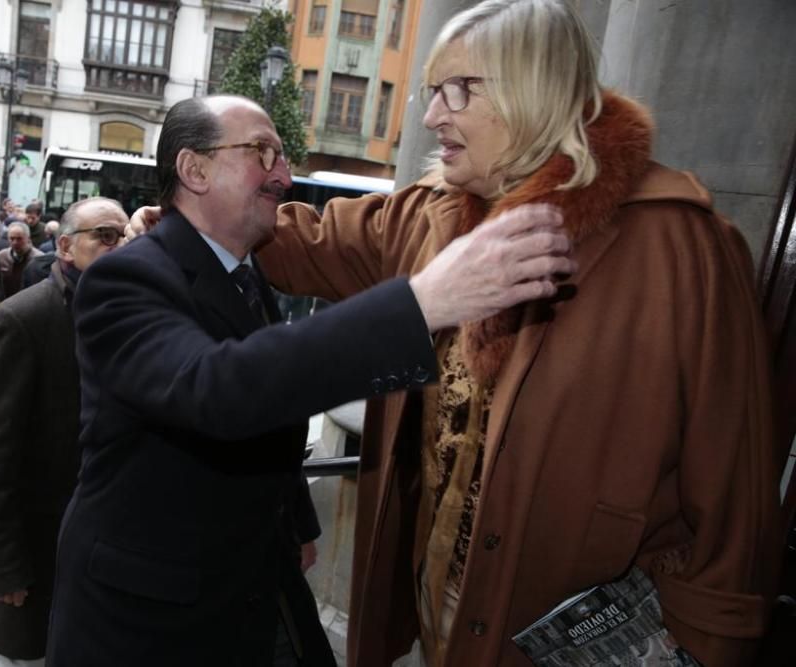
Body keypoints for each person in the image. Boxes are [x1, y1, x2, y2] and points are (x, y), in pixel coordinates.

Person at [230, 2, 780, 665]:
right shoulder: (427, 217)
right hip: (442, 620)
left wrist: (704, 646)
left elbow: (735, 494)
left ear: (534, 88)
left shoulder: (683, 249)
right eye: (431, 92)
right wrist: (184, 226)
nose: (432, 116)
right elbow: (303, 240)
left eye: (458, 90)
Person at [47, 95, 573, 666]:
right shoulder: (125, 278)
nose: (284, 175)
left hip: (249, 587)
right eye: (263, 153)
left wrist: (296, 521)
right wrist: (421, 305)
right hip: (145, 620)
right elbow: (217, 390)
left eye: (283, 155)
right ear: (194, 170)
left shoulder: (243, 273)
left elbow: (274, 401)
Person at [0, 198, 128, 667]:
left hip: (104, 557)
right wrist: (2, 566)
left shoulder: (131, 313)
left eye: (125, 236)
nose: (118, 247)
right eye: (105, 235)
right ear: (65, 247)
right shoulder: (21, 320)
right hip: (36, 559)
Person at [0, 221, 43, 298]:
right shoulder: (2, 256)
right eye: (11, 239)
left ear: (28, 239)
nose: (15, 242)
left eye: (19, 239)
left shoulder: (39, 258)